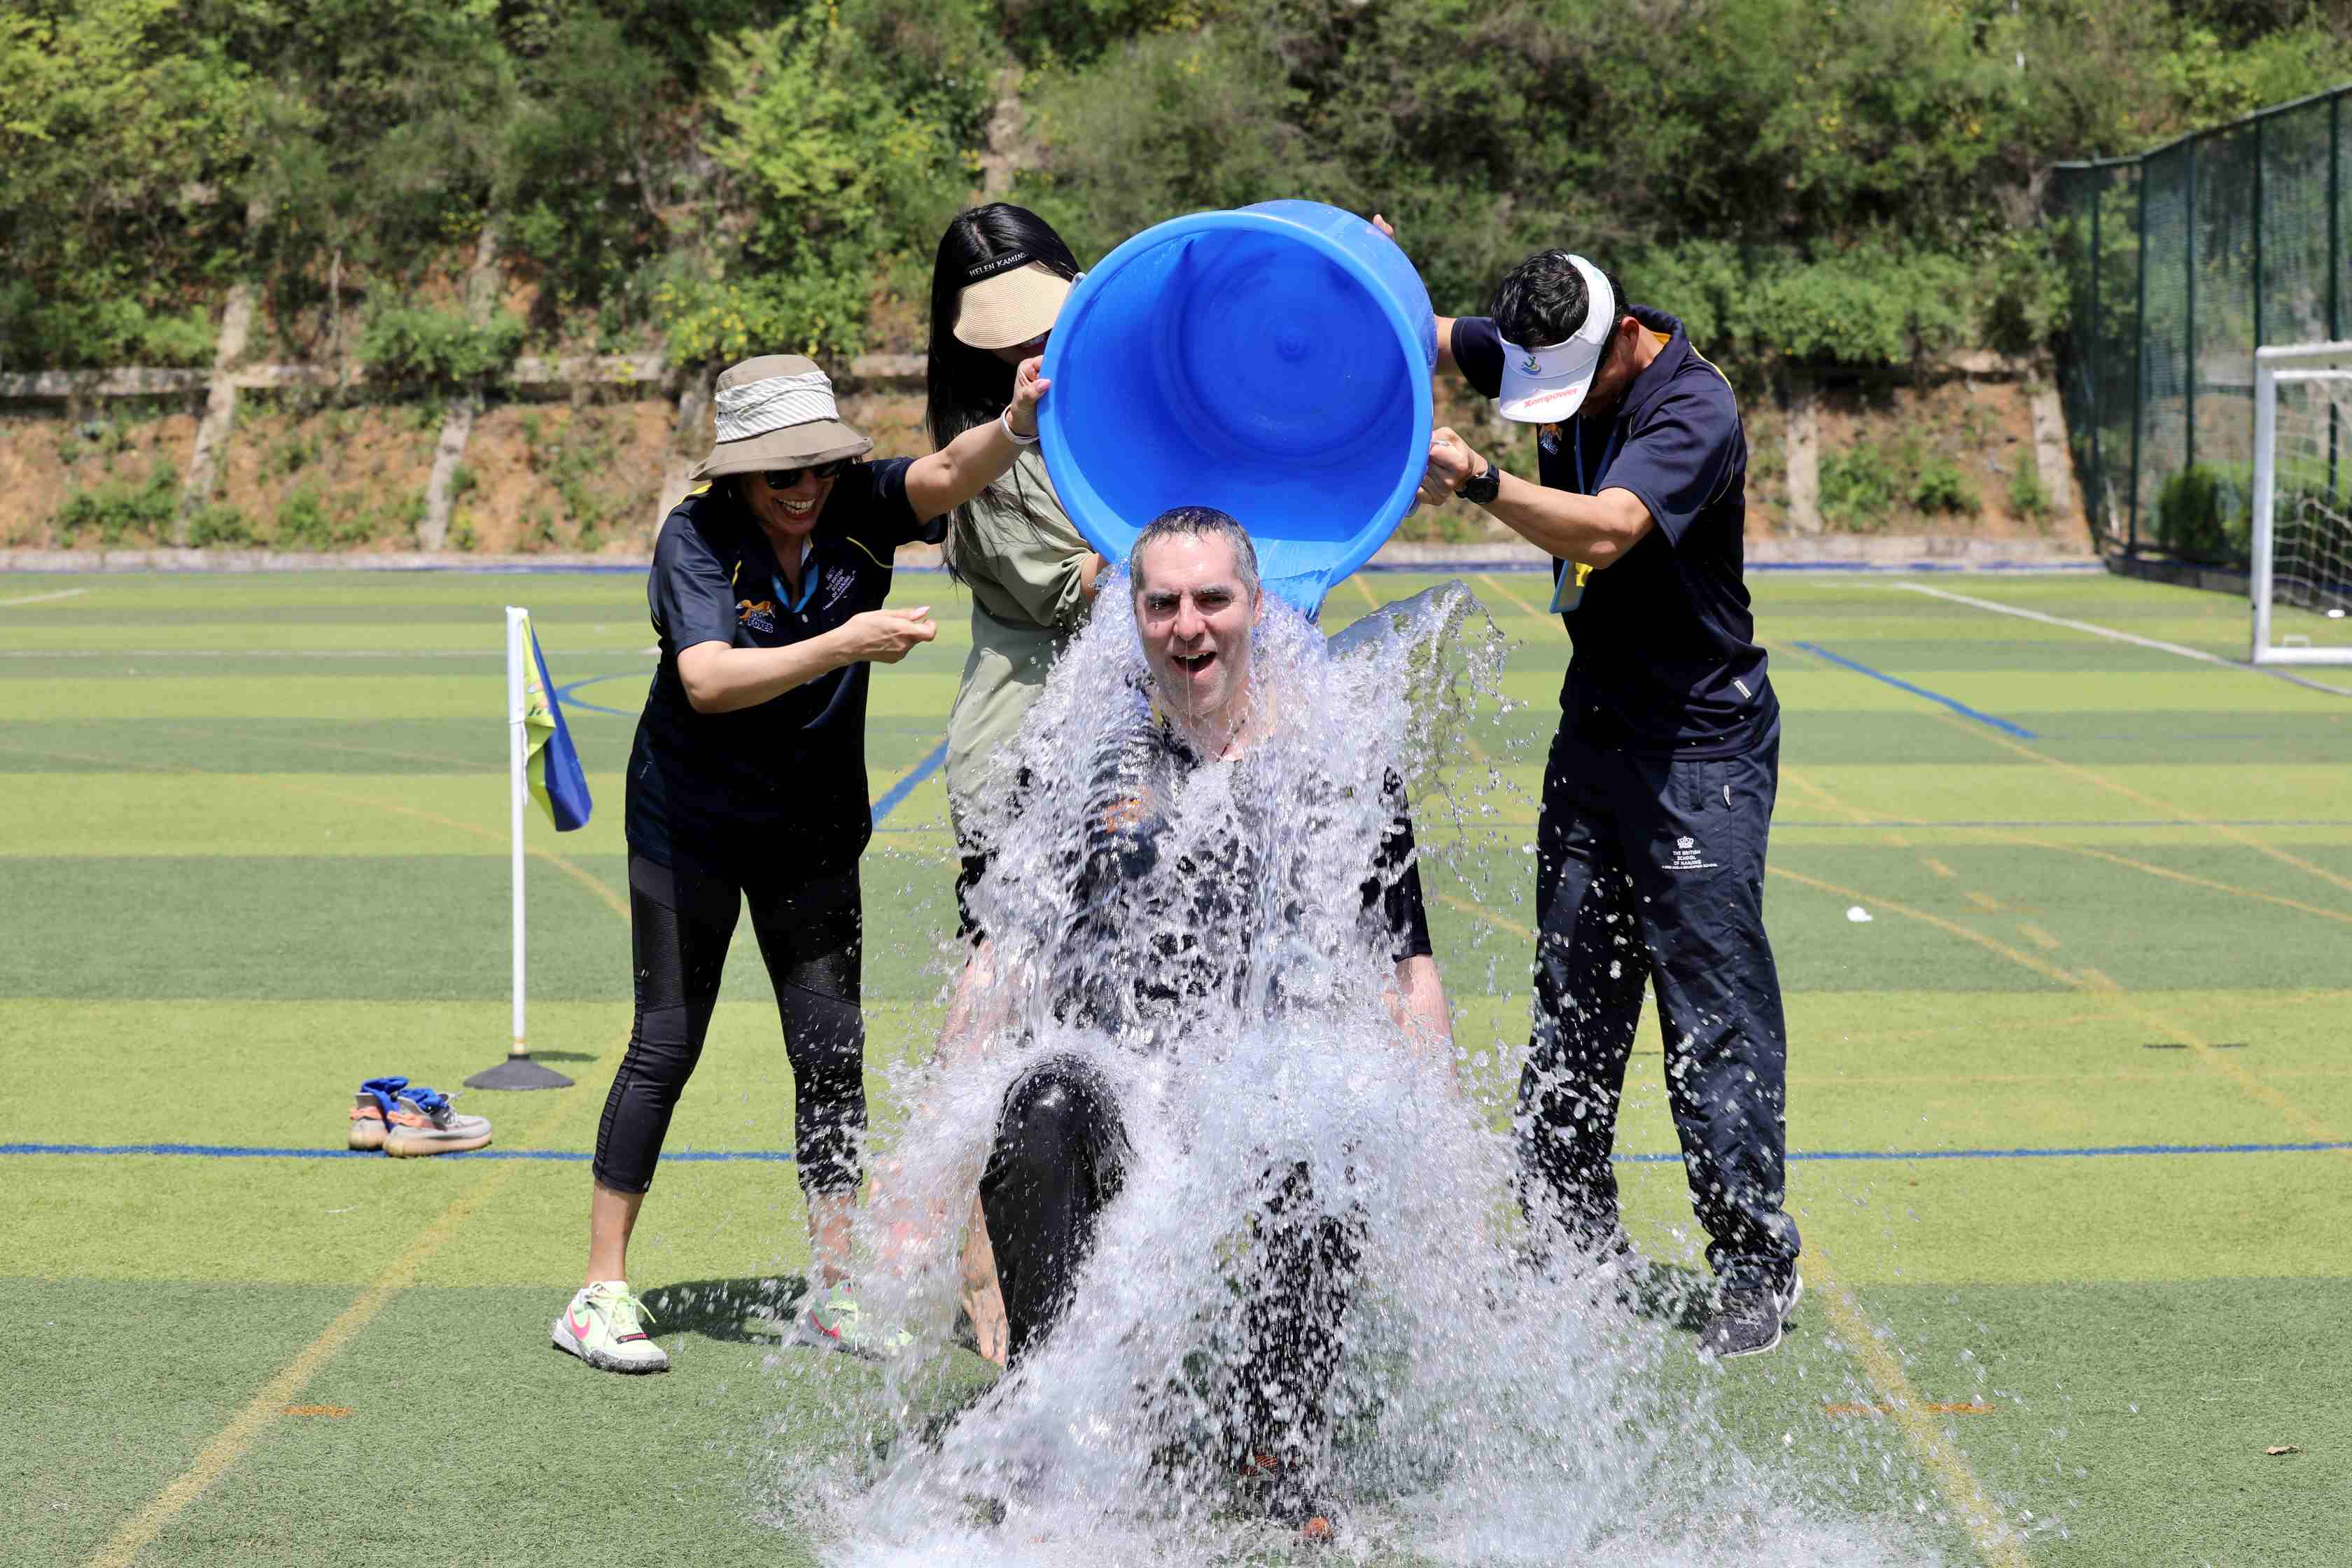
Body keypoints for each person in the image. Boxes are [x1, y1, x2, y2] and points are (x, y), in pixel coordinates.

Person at [551, 349, 1056, 1375]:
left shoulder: (862, 504)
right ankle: (599, 1290)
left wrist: (1013, 421)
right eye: (785, 474)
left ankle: (833, 1286)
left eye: (818, 468)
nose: (805, 490)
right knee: (666, 1044)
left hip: (815, 830)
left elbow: (948, 474)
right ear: (741, 471)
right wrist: (844, 643)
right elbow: (707, 680)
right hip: (687, 827)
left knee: (828, 1055)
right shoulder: (694, 537)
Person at [962, 508, 1454, 1530]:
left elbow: (1408, 971)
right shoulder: (1083, 759)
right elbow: (999, 957)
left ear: (1255, 608)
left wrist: (1436, 1141)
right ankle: (1053, 1421)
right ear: (1132, 618)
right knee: (1043, 1098)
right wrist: (944, 1163)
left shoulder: (1335, 761)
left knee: (1326, 1111)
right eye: (1163, 604)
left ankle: (1277, 1430)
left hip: (1258, 1077)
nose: (1189, 626)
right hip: (1122, 1081)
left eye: (1211, 601)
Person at [1398, 232, 1804, 1358]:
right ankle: (1567, 1245)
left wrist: (1482, 481)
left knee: (1709, 1015)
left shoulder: (1693, 409)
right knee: (1573, 995)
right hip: (1599, 732)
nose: (1548, 409)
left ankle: (1754, 1266)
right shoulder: (1544, 329)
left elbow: (1614, 530)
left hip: (1698, 751)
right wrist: (1366, 275)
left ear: (1623, 334)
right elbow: (1427, 331)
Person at [924, 204, 1107, 1361]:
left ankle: (1089, 1268)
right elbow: (1085, 586)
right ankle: (984, 1274)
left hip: (1130, 764)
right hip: (1026, 760)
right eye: (996, 332)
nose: (1019, 349)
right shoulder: (977, 449)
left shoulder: (1117, 385)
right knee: (1011, 1026)